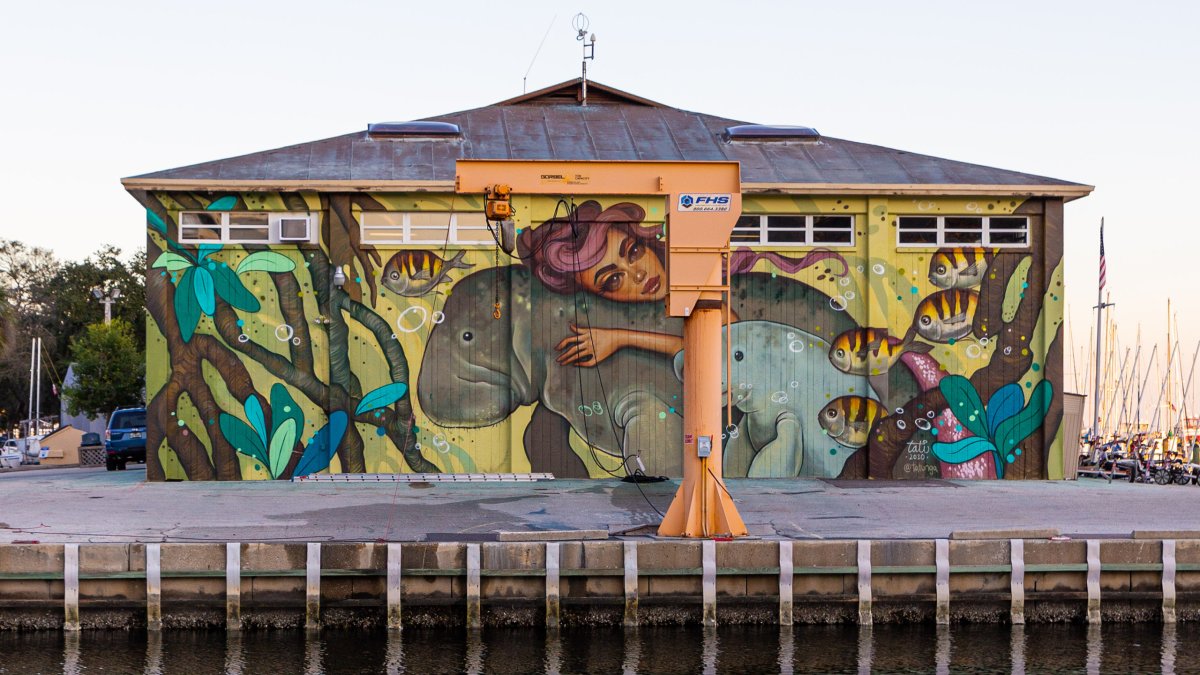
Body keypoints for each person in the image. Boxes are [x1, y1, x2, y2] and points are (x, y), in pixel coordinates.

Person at [518, 200, 847, 367]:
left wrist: (620, 338)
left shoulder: (696, 276)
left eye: (633, 252)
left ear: (645, 241)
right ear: (594, 294)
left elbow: (727, 348)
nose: (638, 275)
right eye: (613, 279)